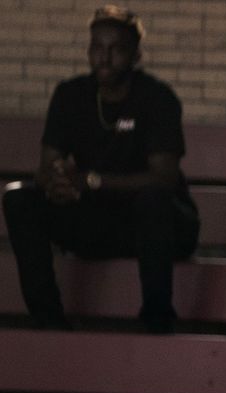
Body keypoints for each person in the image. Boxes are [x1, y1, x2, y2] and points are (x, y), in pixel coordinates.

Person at [1, 5, 199, 332]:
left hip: (154, 227)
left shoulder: (157, 98)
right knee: (18, 198)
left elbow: (163, 177)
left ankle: (156, 321)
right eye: (97, 48)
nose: (104, 58)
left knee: (154, 200)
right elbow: (46, 167)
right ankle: (49, 322)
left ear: (135, 55)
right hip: (96, 222)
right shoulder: (71, 95)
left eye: (116, 49)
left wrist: (91, 181)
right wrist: (57, 184)